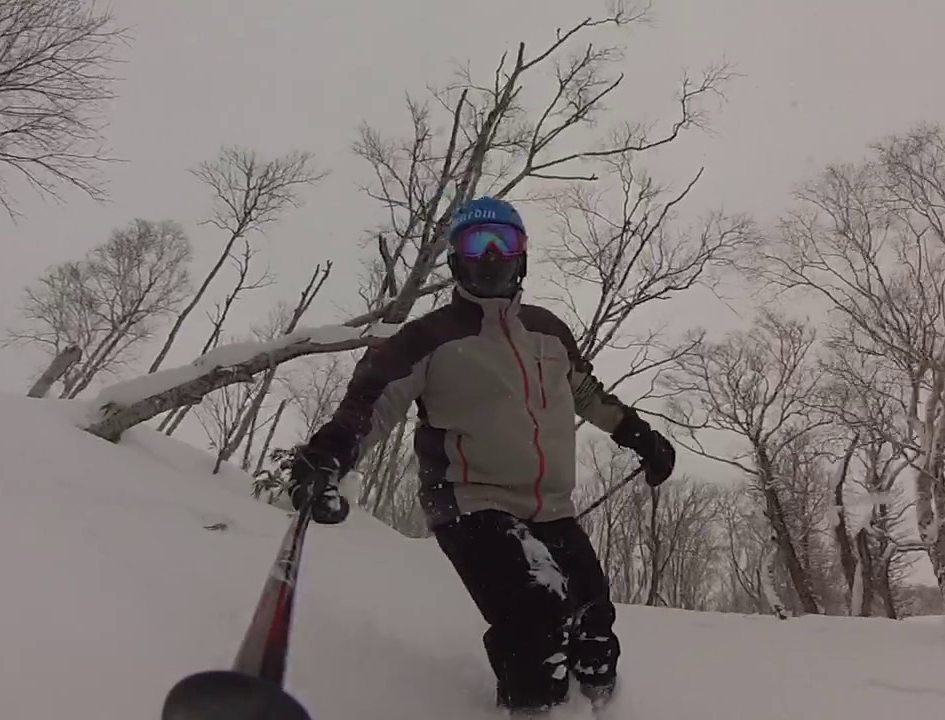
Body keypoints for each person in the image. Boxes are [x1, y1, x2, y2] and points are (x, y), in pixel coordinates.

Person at [287, 195, 676, 715]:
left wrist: (640, 437)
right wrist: (329, 455)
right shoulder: (428, 337)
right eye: (476, 243)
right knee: (537, 611)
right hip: (470, 502)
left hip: (551, 507)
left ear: (522, 255)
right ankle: (532, 709)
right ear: (455, 259)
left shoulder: (548, 330)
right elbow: (371, 404)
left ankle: (602, 708)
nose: (491, 255)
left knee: (593, 626)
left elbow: (587, 394)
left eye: (504, 242)